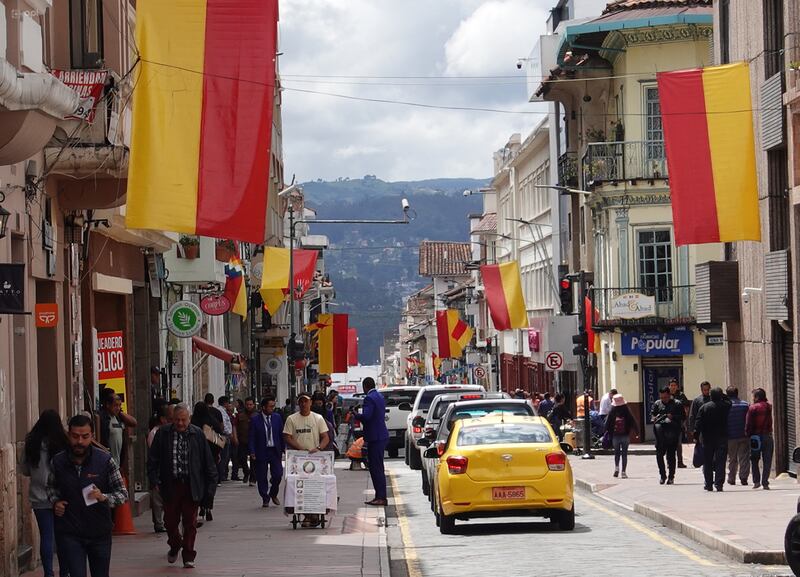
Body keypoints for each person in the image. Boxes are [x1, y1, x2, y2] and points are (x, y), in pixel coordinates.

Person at [51, 414, 128, 577]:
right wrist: (55, 502)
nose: (79, 442)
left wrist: (104, 497)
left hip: (99, 533)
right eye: (75, 436)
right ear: (69, 435)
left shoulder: (105, 460)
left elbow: (122, 494)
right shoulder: (58, 462)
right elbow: (50, 488)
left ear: (92, 436)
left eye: (85, 437)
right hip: (70, 532)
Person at [147, 403, 217, 569]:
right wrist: (154, 480)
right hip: (170, 484)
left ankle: (188, 554)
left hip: (191, 485)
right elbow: (153, 460)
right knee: (170, 521)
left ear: (189, 419)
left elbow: (208, 462)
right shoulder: (163, 434)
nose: (180, 423)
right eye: (177, 420)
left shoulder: (198, 434)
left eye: (183, 420)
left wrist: (210, 488)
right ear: (172, 420)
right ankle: (175, 544)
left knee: (190, 522)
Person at [21, 410, 69, 577]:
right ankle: (65, 571)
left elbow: (25, 470)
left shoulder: (31, 443)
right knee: (62, 536)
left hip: (38, 496)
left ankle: (48, 573)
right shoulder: (62, 442)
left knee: (46, 536)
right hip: (60, 497)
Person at [283, 392, 330, 527]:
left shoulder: (318, 418)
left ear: (311, 403)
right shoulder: (292, 419)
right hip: (297, 459)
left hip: (314, 459)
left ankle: (312, 514)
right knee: (299, 486)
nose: (304, 404)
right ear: (298, 403)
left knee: (314, 486)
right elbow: (287, 436)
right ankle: (308, 515)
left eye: (306, 401)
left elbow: (325, 437)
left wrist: (319, 448)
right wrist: (299, 448)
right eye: (301, 402)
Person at [354, 377, 390, 506]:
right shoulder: (379, 396)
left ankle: (380, 497)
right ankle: (381, 496)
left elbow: (367, 417)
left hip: (375, 437)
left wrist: (356, 414)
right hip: (381, 436)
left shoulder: (369, 398)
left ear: (365, 387)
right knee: (379, 467)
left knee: (375, 468)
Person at [249, 396, 285, 508]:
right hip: (261, 450)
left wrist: (284, 449)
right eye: (270, 406)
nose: (272, 408)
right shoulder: (255, 419)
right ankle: (265, 497)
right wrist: (252, 451)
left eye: (273, 406)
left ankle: (273, 493)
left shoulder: (277, 418)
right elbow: (252, 437)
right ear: (263, 407)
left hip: (275, 451)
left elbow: (281, 434)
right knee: (261, 476)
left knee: (278, 474)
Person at [191, 402, 223, 522]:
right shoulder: (211, 420)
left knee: (199, 482)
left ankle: (200, 504)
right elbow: (220, 436)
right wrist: (217, 453)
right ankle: (208, 506)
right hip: (211, 457)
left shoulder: (193, 423)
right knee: (211, 482)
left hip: (196, 458)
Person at [694, 387, 731, 492]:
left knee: (708, 462)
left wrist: (696, 437)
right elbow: (729, 401)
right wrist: (723, 395)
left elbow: (698, 423)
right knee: (720, 461)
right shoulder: (725, 406)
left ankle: (709, 484)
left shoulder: (704, 407)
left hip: (707, 438)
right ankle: (719, 484)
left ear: (710, 396)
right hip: (722, 438)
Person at [651, 386, 683, 485]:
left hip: (672, 434)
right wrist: (655, 418)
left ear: (669, 395)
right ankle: (662, 475)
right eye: (662, 397)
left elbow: (683, 416)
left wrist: (672, 416)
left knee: (671, 456)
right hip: (660, 435)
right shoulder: (657, 404)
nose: (664, 399)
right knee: (659, 456)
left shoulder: (677, 404)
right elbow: (652, 415)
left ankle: (671, 477)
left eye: (665, 397)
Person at [147, 406, 171, 533]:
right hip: (158, 470)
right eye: (170, 419)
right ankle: (158, 523)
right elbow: (153, 455)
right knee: (157, 500)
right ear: (162, 419)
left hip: (167, 471)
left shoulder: (168, 431)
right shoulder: (155, 433)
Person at [98, 392, 137, 469]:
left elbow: (133, 422)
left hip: (117, 463)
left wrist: (120, 413)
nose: (118, 408)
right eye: (115, 405)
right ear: (108, 405)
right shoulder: (103, 418)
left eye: (119, 405)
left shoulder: (119, 418)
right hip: (107, 462)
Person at [604, 394, 638, 479]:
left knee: (617, 453)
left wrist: (605, 431)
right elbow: (633, 421)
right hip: (625, 435)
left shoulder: (612, 411)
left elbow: (607, 423)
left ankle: (616, 468)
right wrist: (637, 432)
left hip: (615, 436)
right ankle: (623, 472)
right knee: (624, 454)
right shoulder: (627, 411)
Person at [746, 388, 773, 490]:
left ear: (756, 397)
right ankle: (765, 482)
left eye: (753, 396)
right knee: (767, 460)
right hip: (768, 436)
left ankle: (756, 481)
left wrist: (748, 435)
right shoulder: (768, 407)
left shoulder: (752, 408)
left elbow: (748, 424)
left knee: (754, 459)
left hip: (755, 437)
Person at [725, 386, 750, 486]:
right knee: (744, 457)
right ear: (737, 393)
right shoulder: (745, 405)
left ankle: (732, 478)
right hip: (743, 435)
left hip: (730, 436)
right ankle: (744, 477)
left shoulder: (726, 406)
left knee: (732, 458)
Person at [234, 397, 256, 485]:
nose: (249, 406)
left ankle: (253, 479)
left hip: (254, 442)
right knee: (242, 458)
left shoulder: (257, 415)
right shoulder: (240, 414)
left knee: (254, 460)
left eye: (251, 404)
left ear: (254, 405)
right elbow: (234, 426)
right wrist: (235, 437)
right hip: (243, 440)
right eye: (247, 404)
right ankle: (246, 472)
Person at [668, 379, 689, 468]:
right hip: (668, 424)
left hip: (678, 423)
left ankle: (680, 462)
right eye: (671, 385)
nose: (673, 387)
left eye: (674, 385)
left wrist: (684, 420)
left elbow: (686, 407)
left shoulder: (681, 395)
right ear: (669, 386)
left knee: (678, 444)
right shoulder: (666, 395)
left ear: (677, 386)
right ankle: (669, 463)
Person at [216, 396, 236, 483]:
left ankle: (222, 474)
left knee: (225, 456)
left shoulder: (223, 411)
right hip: (224, 436)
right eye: (228, 403)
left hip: (225, 435)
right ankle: (221, 475)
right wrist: (229, 433)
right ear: (225, 403)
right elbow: (223, 424)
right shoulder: (222, 412)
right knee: (224, 456)